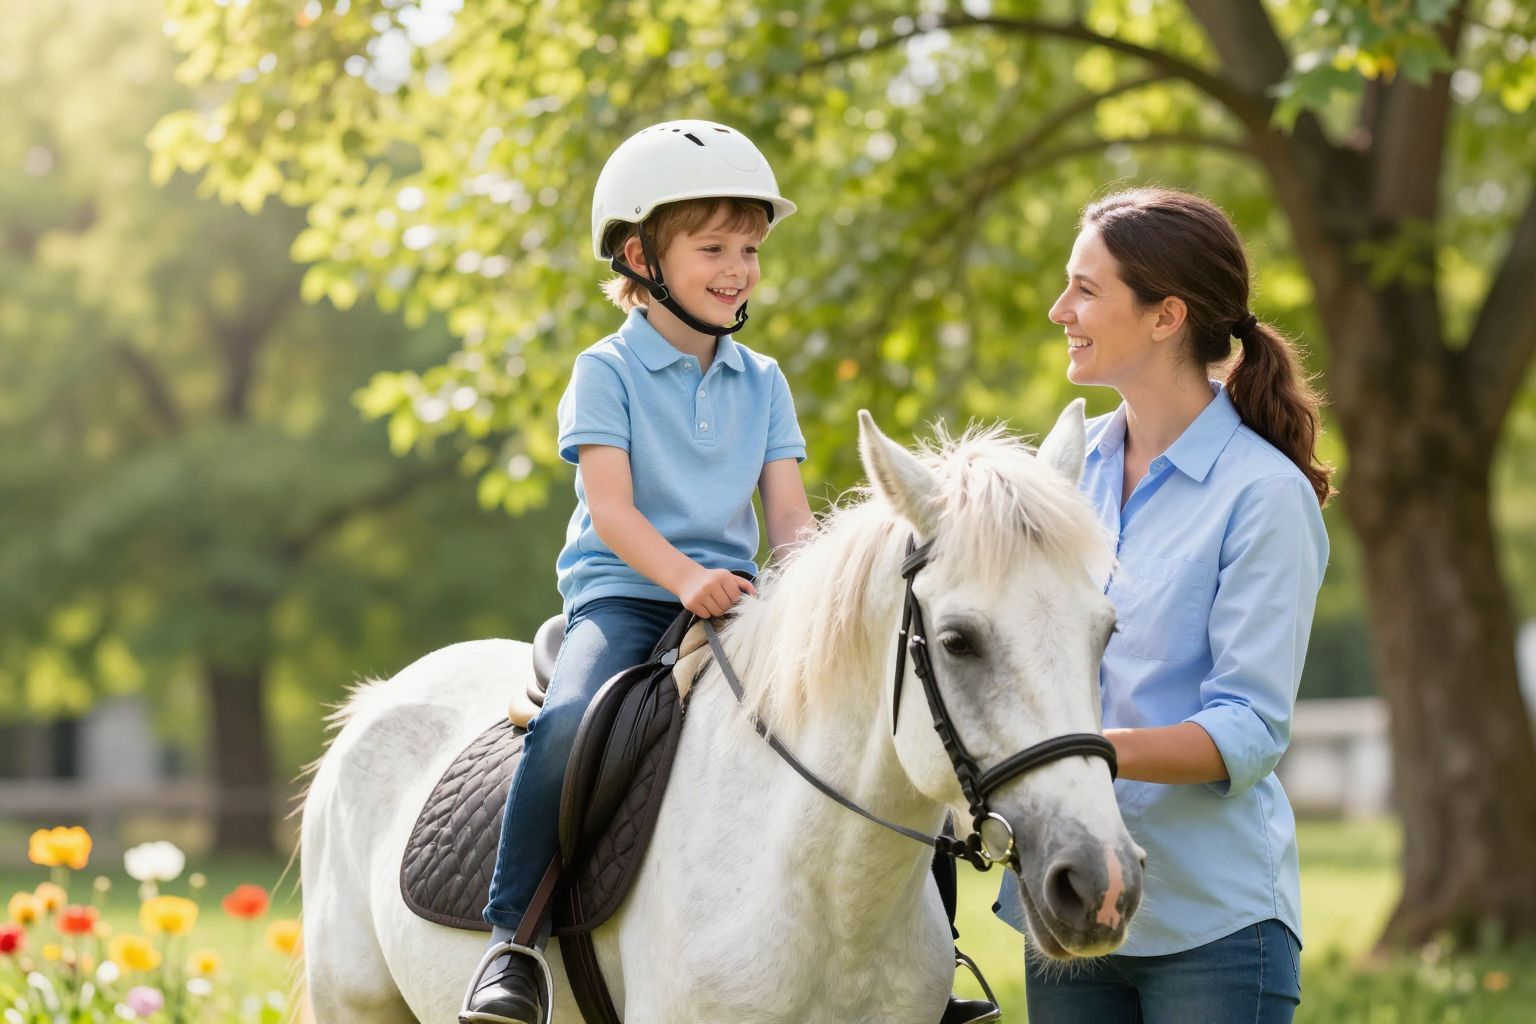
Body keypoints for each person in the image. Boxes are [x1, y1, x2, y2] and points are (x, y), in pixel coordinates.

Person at [460, 119, 816, 1024]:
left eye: (750, 248)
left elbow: (790, 521)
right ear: (639, 256)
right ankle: (512, 943)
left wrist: (818, 599)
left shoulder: (764, 380)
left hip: (738, 604)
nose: (738, 269)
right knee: (569, 723)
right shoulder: (605, 369)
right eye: (713, 248)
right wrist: (686, 578)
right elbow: (612, 512)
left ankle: (929, 947)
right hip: (626, 595)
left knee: (868, 712)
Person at [999, 187, 1331, 1023]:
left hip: (1212, 926)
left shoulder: (1263, 495)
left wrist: (1084, 753)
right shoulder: (1060, 475)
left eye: (1086, 289)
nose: (1059, 309)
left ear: (1166, 316)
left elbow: (1250, 727)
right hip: (1064, 902)